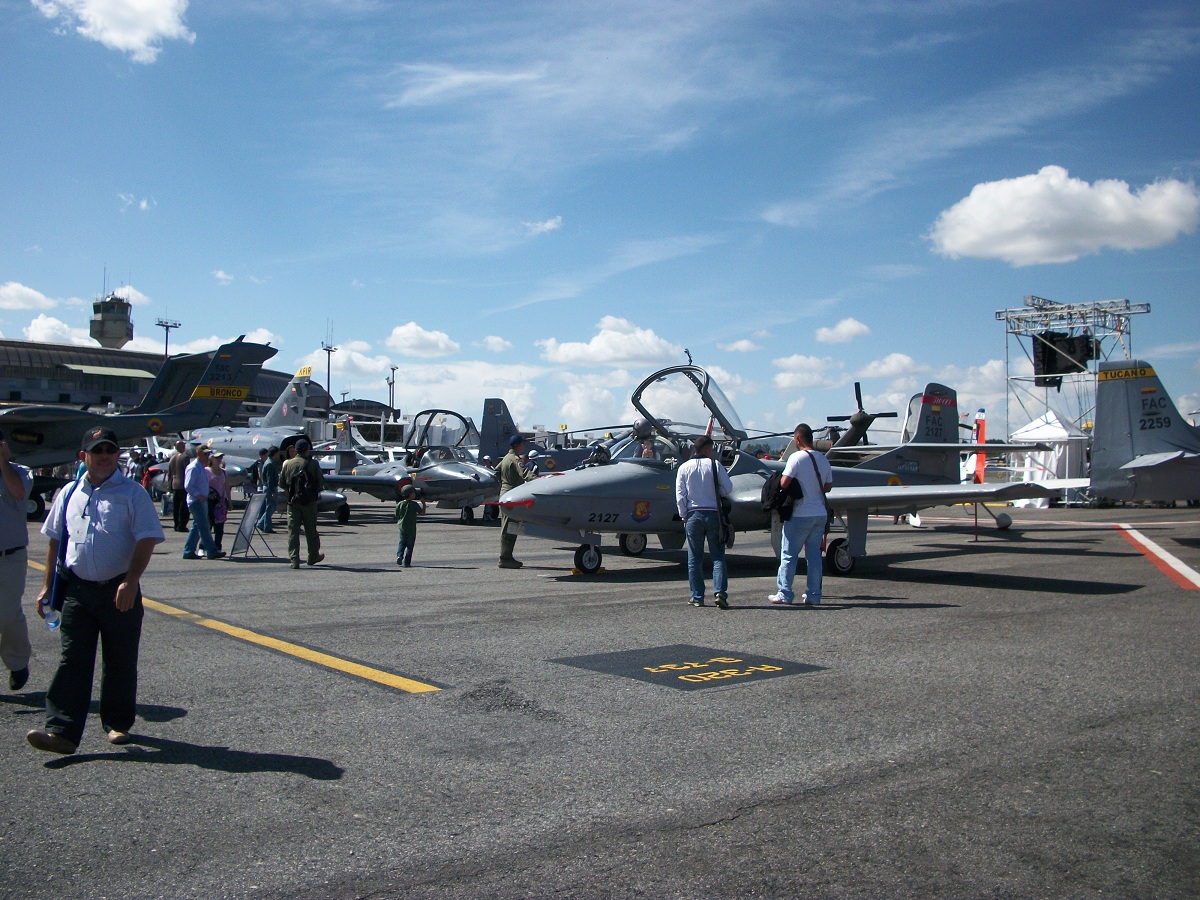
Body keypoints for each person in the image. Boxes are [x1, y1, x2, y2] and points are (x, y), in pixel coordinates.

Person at [26, 426, 165, 754]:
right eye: (97, 451)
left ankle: (117, 723)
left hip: (118, 590)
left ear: (118, 455)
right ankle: (61, 732)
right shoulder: (69, 492)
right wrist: (47, 585)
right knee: (71, 660)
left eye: (110, 451)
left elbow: (146, 538)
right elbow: (56, 539)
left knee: (120, 660)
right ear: (83, 456)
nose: (104, 457)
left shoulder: (133, 493)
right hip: (77, 591)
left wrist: (131, 581)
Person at [770, 423, 833, 607]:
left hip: (800, 513)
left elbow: (784, 483)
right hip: (819, 513)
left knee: (789, 554)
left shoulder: (796, 458)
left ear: (798, 439)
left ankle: (785, 593)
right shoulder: (823, 459)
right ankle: (814, 595)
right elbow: (828, 486)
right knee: (814, 556)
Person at [674, 434, 734, 608]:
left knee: (694, 558)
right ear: (707, 449)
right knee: (717, 556)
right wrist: (717, 491)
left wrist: (684, 515)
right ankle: (720, 592)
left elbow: (680, 496)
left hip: (693, 515)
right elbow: (728, 488)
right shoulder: (715, 465)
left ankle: (697, 596)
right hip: (714, 514)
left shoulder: (684, 468)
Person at [0, 429, 34, 692]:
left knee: (7, 614)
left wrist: (2, 463)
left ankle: (17, 662)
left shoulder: (20, 472)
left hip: (8, 556)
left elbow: (19, 492)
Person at [280, 439, 324, 569]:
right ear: (306, 449)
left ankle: (294, 560)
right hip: (309, 503)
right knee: (311, 531)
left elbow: (282, 483)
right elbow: (320, 482)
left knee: (293, 532)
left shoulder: (287, 463)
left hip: (293, 502)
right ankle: (313, 556)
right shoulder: (313, 464)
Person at [497, 435, 537, 568]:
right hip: (512, 495)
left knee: (507, 526)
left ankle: (506, 556)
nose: (523, 447)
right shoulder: (515, 459)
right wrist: (539, 481)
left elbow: (495, 472)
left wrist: (503, 483)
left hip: (504, 493)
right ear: (518, 445)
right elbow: (525, 473)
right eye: (522, 444)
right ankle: (505, 558)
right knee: (509, 527)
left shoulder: (506, 458)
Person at [182, 446, 225, 560]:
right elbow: (188, 485)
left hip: (201, 500)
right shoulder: (194, 467)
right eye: (205, 454)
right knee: (204, 527)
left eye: (208, 454)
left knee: (197, 526)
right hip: (197, 501)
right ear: (199, 454)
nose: (207, 457)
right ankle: (211, 550)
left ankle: (188, 551)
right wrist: (198, 495)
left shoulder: (201, 467)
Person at [393, 484, 422, 567]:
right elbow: (422, 512)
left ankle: (399, 556)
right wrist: (423, 504)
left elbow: (396, 514)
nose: (415, 494)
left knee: (402, 543)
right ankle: (407, 562)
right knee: (410, 546)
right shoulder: (414, 504)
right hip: (411, 528)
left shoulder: (400, 504)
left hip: (402, 526)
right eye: (413, 493)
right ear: (410, 494)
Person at [207, 451, 230, 553]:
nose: (219, 459)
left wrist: (229, 501)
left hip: (220, 502)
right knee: (208, 525)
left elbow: (226, 487)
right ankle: (204, 546)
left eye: (220, 457)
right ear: (211, 459)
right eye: (217, 458)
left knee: (219, 527)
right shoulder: (206, 471)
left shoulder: (223, 472)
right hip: (210, 501)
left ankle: (217, 547)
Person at [167, 440, 190, 532]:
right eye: (183, 445)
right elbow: (187, 471)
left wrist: (169, 486)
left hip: (174, 484)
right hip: (183, 484)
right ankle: (182, 525)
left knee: (176, 507)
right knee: (183, 507)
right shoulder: (185, 457)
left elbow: (169, 473)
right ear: (180, 447)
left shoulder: (172, 458)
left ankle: (176, 524)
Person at [256, 445, 280, 533]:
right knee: (270, 507)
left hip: (268, 487)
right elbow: (270, 479)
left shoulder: (268, 462)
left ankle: (262, 523)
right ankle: (266, 526)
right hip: (270, 488)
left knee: (270, 507)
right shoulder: (270, 463)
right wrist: (273, 491)